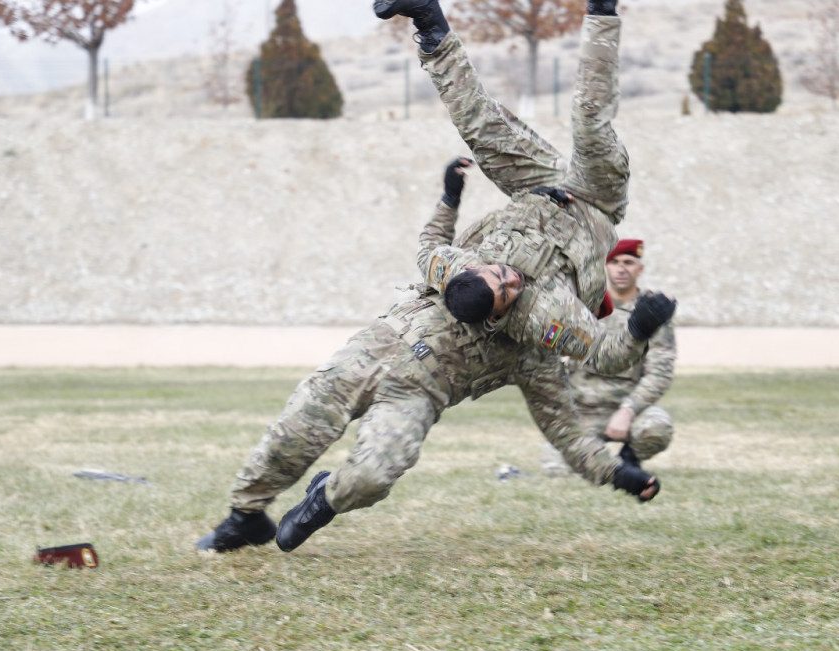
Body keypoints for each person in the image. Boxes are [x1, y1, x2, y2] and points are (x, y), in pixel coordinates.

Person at [196, 165, 673, 555]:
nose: (508, 277)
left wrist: (618, 475)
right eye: (496, 278)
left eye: (507, 285)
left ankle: (325, 498)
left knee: (373, 476)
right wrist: (450, 194)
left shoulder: (532, 351)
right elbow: (431, 243)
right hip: (375, 348)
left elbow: (566, 433)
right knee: (297, 428)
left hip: (417, 395)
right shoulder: (459, 265)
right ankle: (245, 516)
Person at [379, 0, 636, 365]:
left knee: (480, 129)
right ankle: (602, 12)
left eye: (499, 274)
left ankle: (427, 18)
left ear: (472, 267)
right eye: (508, 292)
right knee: (590, 123)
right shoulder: (542, 315)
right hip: (595, 203)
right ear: (498, 315)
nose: (512, 280)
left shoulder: (456, 270)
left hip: (537, 191)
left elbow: (428, 248)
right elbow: (605, 355)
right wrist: (641, 327)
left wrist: (450, 198)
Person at [540, 238, 677, 477]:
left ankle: (629, 459)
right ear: (605, 266)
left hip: (627, 409)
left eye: (628, 262)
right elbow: (548, 345)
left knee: (657, 426)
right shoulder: (582, 305)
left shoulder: (651, 312)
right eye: (614, 262)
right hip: (581, 411)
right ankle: (593, 453)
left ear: (640, 268)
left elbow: (660, 372)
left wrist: (628, 411)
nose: (621, 268)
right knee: (557, 472)